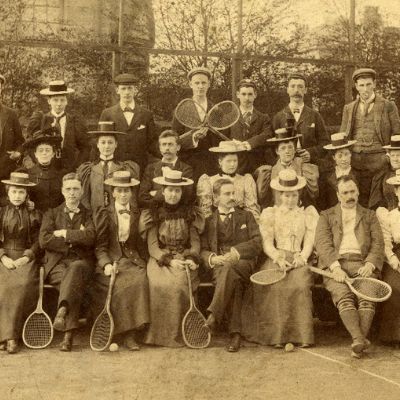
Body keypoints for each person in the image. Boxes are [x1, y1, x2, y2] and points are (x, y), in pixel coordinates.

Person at [242, 170, 318, 348]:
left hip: (299, 258)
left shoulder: (307, 213)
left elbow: (309, 241)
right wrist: (277, 256)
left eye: (293, 195)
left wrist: (302, 257)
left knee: (299, 286)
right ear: (279, 195)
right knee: (276, 286)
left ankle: (300, 335)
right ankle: (277, 336)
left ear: (298, 194)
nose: (290, 199)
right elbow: (267, 242)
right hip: (278, 257)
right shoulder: (270, 213)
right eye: (286, 195)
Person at [315, 175, 384, 358]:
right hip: (336, 266)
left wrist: (370, 264)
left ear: (358, 192)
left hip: (363, 264)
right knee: (343, 296)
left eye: (352, 191)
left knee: (367, 296)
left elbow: (378, 243)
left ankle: (357, 341)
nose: (349, 196)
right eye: (345, 192)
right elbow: (323, 244)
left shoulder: (370, 215)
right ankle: (359, 339)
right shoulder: (326, 216)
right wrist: (335, 267)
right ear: (338, 195)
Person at [139, 168, 203, 347]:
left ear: (181, 193)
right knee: (158, 284)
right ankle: (157, 336)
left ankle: (182, 332)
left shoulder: (190, 213)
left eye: (177, 191)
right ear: (163, 191)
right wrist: (168, 260)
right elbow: (152, 246)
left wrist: (192, 258)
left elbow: (195, 242)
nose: (173, 194)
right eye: (170, 190)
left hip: (183, 256)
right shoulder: (154, 212)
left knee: (181, 282)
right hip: (160, 258)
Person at [201, 178, 262, 352]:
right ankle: (235, 334)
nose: (232, 197)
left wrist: (236, 252)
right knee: (232, 280)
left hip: (243, 262)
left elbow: (257, 242)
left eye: (233, 193)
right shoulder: (209, 220)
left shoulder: (246, 216)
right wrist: (212, 259)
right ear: (216, 197)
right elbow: (203, 250)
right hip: (220, 266)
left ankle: (213, 314)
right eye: (227, 194)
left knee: (230, 269)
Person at [92, 171, 149, 350]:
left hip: (132, 258)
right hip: (110, 259)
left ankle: (131, 334)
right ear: (113, 193)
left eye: (127, 191)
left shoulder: (136, 212)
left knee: (140, 280)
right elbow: (100, 246)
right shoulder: (104, 213)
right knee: (116, 284)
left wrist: (144, 260)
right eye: (120, 191)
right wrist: (106, 264)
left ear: (131, 193)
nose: (124, 194)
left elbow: (140, 243)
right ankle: (115, 332)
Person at [39, 173, 96, 351]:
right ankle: (68, 334)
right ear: (62, 191)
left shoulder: (89, 214)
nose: (72, 193)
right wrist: (74, 240)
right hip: (57, 265)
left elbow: (91, 237)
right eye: (68, 189)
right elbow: (44, 240)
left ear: (81, 192)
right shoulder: (52, 213)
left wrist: (64, 234)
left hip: (81, 263)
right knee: (73, 283)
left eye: (76, 189)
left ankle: (63, 311)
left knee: (76, 269)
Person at [340, 68, 400, 207]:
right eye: (361, 85)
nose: (365, 88)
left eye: (368, 84)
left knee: (376, 199)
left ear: (374, 84)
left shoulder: (388, 106)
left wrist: (390, 157)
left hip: (379, 160)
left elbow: (397, 134)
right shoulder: (349, 108)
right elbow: (343, 135)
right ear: (356, 87)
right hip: (355, 159)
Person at [0, 172, 41, 354]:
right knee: (3, 286)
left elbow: (40, 240)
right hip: (4, 256)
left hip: (26, 258)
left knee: (21, 285)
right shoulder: (1, 212)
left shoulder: (35, 214)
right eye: (14, 192)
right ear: (8, 193)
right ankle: (4, 336)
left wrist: (28, 256)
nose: (17, 196)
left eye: (21, 193)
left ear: (26, 195)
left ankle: (11, 337)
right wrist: (3, 257)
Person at [99, 73, 158, 173]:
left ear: (135, 90)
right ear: (117, 90)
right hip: (115, 166)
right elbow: (101, 140)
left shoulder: (146, 114)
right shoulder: (107, 113)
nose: (127, 92)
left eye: (130, 88)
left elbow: (152, 142)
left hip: (140, 167)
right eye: (123, 88)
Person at [27, 80, 90, 171]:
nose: (59, 104)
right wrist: (39, 162)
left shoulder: (74, 121)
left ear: (66, 101)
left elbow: (85, 147)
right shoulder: (40, 120)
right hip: (45, 168)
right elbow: (30, 145)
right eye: (55, 100)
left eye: (62, 100)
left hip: (69, 169)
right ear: (49, 101)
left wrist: (76, 167)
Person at [77, 121, 139, 211]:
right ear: (97, 145)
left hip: (117, 217)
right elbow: (84, 199)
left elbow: (132, 198)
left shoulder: (125, 168)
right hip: (95, 218)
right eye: (103, 142)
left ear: (116, 144)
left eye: (110, 142)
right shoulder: (88, 169)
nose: (106, 146)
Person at [172, 66, 220, 181]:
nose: (200, 86)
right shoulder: (181, 109)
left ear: (209, 84)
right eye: (197, 83)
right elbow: (175, 139)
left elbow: (219, 139)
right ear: (190, 84)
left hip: (211, 162)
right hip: (188, 161)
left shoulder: (216, 110)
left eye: (204, 83)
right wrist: (194, 138)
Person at [196, 140, 260, 221]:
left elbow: (252, 209)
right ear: (220, 162)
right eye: (228, 161)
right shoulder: (208, 181)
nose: (232, 164)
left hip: (241, 223)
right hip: (217, 223)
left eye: (235, 161)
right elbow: (205, 211)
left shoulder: (245, 180)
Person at [257, 128, 319, 208]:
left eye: (290, 147)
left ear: (295, 149)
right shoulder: (269, 172)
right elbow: (266, 201)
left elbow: (312, 197)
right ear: (277, 151)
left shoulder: (304, 168)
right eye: (283, 148)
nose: (287, 151)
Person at [228, 79, 274, 174]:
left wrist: (249, 143)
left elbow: (268, 134)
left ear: (255, 95)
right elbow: (221, 142)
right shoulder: (229, 117)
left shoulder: (263, 117)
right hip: (235, 166)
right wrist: (232, 144)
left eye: (250, 94)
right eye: (243, 94)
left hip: (257, 166)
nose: (246, 98)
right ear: (238, 95)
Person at [138, 130, 193, 209]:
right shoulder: (150, 168)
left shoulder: (186, 169)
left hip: (178, 212)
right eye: (164, 144)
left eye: (170, 144)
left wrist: (156, 194)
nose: (167, 148)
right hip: (154, 211)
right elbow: (142, 197)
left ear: (178, 147)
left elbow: (186, 196)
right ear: (160, 148)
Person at [375, 170, 400, 345]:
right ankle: (395, 335)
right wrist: (393, 259)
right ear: (396, 192)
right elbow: (385, 242)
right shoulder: (389, 216)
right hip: (396, 257)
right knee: (394, 287)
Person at [24, 115, 65, 213]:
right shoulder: (28, 174)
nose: (44, 153)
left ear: (53, 154)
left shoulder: (60, 174)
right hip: (35, 218)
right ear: (35, 154)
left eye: (47, 150)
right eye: (41, 150)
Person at [0, 74, 24, 199]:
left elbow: (20, 142)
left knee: (6, 209)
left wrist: (18, 154)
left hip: (5, 170)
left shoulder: (10, 114)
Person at [322, 133, 358, 209]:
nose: (344, 159)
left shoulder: (360, 175)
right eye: (340, 156)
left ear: (350, 154)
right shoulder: (326, 177)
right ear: (334, 157)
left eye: (346, 154)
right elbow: (324, 204)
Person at [369, 135, 400, 210]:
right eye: (393, 155)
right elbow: (376, 201)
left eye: (399, 155)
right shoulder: (384, 175)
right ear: (389, 157)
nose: (395, 159)